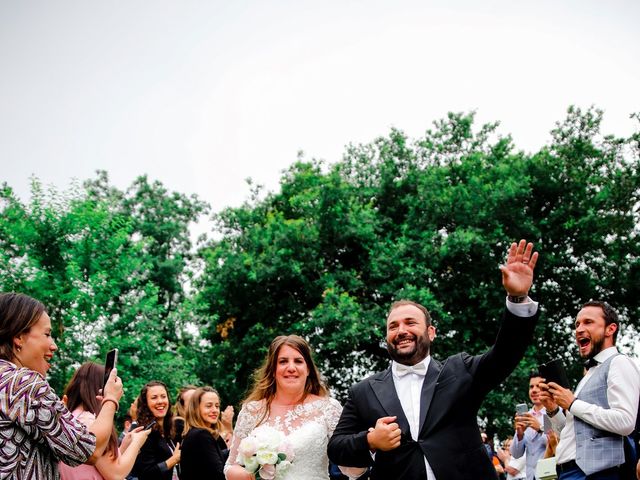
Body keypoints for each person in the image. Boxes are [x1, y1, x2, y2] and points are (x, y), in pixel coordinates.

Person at [327, 239, 540, 479]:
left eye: (410, 323)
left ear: (431, 332)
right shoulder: (363, 391)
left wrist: (518, 299)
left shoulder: (461, 370)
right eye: (393, 326)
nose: (401, 331)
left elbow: (505, 354)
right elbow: (336, 448)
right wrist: (370, 440)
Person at [0, 292, 123, 479]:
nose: (54, 346)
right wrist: (111, 399)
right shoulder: (25, 384)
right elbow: (89, 449)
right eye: (47, 334)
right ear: (19, 337)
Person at [224, 334, 365, 480]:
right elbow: (230, 467)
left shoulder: (329, 408)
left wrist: (367, 442)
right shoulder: (252, 410)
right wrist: (250, 474)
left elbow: (351, 469)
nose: (291, 368)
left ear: (308, 369)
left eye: (298, 361)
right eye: (283, 361)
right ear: (273, 370)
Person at [539, 301, 640, 480]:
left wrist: (572, 403)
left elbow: (625, 422)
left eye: (588, 322)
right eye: (577, 324)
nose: (578, 329)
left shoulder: (619, 362)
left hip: (595, 473)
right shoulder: (588, 375)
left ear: (610, 329)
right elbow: (573, 433)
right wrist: (553, 409)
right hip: (567, 471)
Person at [58, 362, 151, 480]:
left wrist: (123, 447)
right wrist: (137, 443)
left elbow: (101, 464)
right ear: (100, 388)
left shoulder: (71, 417)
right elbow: (116, 473)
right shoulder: (88, 421)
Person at [131, 381, 181, 480]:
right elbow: (146, 474)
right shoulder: (143, 431)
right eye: (154, 398)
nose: (160, 401)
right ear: (146, 403)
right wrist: (173, 460)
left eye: (163, 396)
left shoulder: (169, 429)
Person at [180, 386, 228, 480]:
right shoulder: (200, 435)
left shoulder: (197, 433)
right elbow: (218, 473)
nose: (215, 410)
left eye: (217, 406)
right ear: (196, 409)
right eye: (208, 406)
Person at [511, 372, 548, 480]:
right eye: (531, 387)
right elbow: (516, 454)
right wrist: (519, 435)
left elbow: (556, 444)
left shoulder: (553, 413)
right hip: (530, 476)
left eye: (538, 386)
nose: (534, 390)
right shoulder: (526, 416)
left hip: (549, 475)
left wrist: (540, 428)